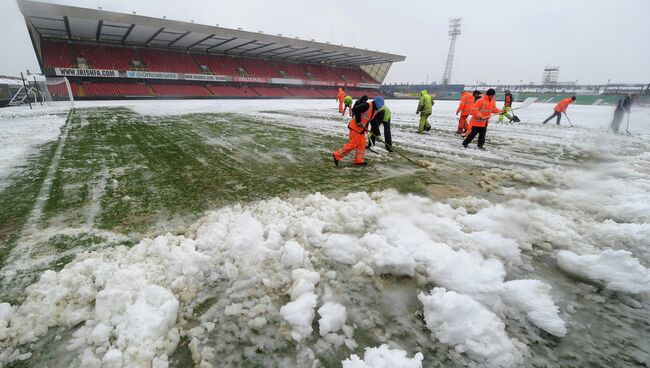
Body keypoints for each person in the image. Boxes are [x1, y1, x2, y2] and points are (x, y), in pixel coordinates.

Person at [333, 98, 377, 166]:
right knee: (353, 144)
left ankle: (359, 160)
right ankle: (337, 155)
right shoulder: (367, 105)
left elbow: (369, 120)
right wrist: (358, 121)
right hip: (355, 127)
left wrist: (371, 131)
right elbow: (356, 109)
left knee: (361, 144)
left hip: (362, 129)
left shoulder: (375, 109)